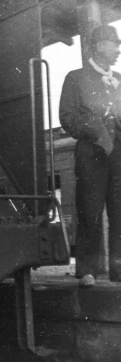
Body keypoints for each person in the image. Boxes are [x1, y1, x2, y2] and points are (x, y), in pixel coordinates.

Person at [59, 24, 121, 287]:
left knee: (120, 212)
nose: (118, 49)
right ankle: (87, 269)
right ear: (98, 46)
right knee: (90, 211)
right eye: (113, 44)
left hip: (119, 155)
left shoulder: (119, 79)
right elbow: (67, 117)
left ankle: (118, 269)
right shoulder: (76, 78)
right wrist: (94, 130)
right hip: (91, 154)